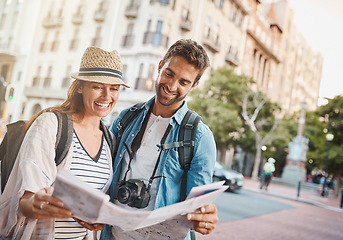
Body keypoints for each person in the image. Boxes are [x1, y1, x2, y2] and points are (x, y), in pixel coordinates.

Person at [0, 46, 129, 239]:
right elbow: (25, 201)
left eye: (114, 88)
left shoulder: (109, 139)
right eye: (97, 86)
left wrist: (96, 218)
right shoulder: (50, 124)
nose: (107, 96)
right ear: (79, 87)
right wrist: (38, 204)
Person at [100, 39, 218, 239]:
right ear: (160, 65)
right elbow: (104, 174)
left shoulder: (200, 137)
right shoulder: (126, 117)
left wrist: (205, 218)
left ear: (195, 85)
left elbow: (198, 208)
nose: (171, 86)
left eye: (183, 82)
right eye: (169, 74)